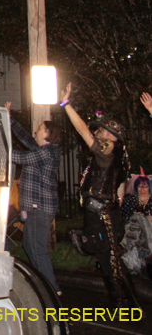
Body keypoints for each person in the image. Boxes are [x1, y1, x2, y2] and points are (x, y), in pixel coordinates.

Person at [61, 82, 138, 307]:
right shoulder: (115, 157)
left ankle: (127, 304)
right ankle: (121, 301)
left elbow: (83, 131)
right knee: (106, 259)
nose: (98, 132)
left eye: (102, 130)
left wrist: (66, 105)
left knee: (110, 260)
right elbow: (120, 190)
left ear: (112, 135)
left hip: (103, 216)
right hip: (103, 214)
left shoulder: (108, 151)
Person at [5, 102, 62, 295]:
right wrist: (10, 118)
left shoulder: (46, 153)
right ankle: (46, 286)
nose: (36, 131)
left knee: (36, 248)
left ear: (47, 134)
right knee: (30, 246)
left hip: (39, 208)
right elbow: (26, 139)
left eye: (39, 129)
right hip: (36, 208)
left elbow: (20, 157)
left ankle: (51, 290)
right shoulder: (43, 150)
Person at [119, 169, 152, 277]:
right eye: (140, 186)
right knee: (135, 218)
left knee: (138, 217)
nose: (142, 189)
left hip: (149, 231)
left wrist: (146, 217)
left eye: (145, 186)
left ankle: (125, 246)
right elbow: (123, 217)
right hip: (134, 233)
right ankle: (130, 247)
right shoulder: (130, 201)